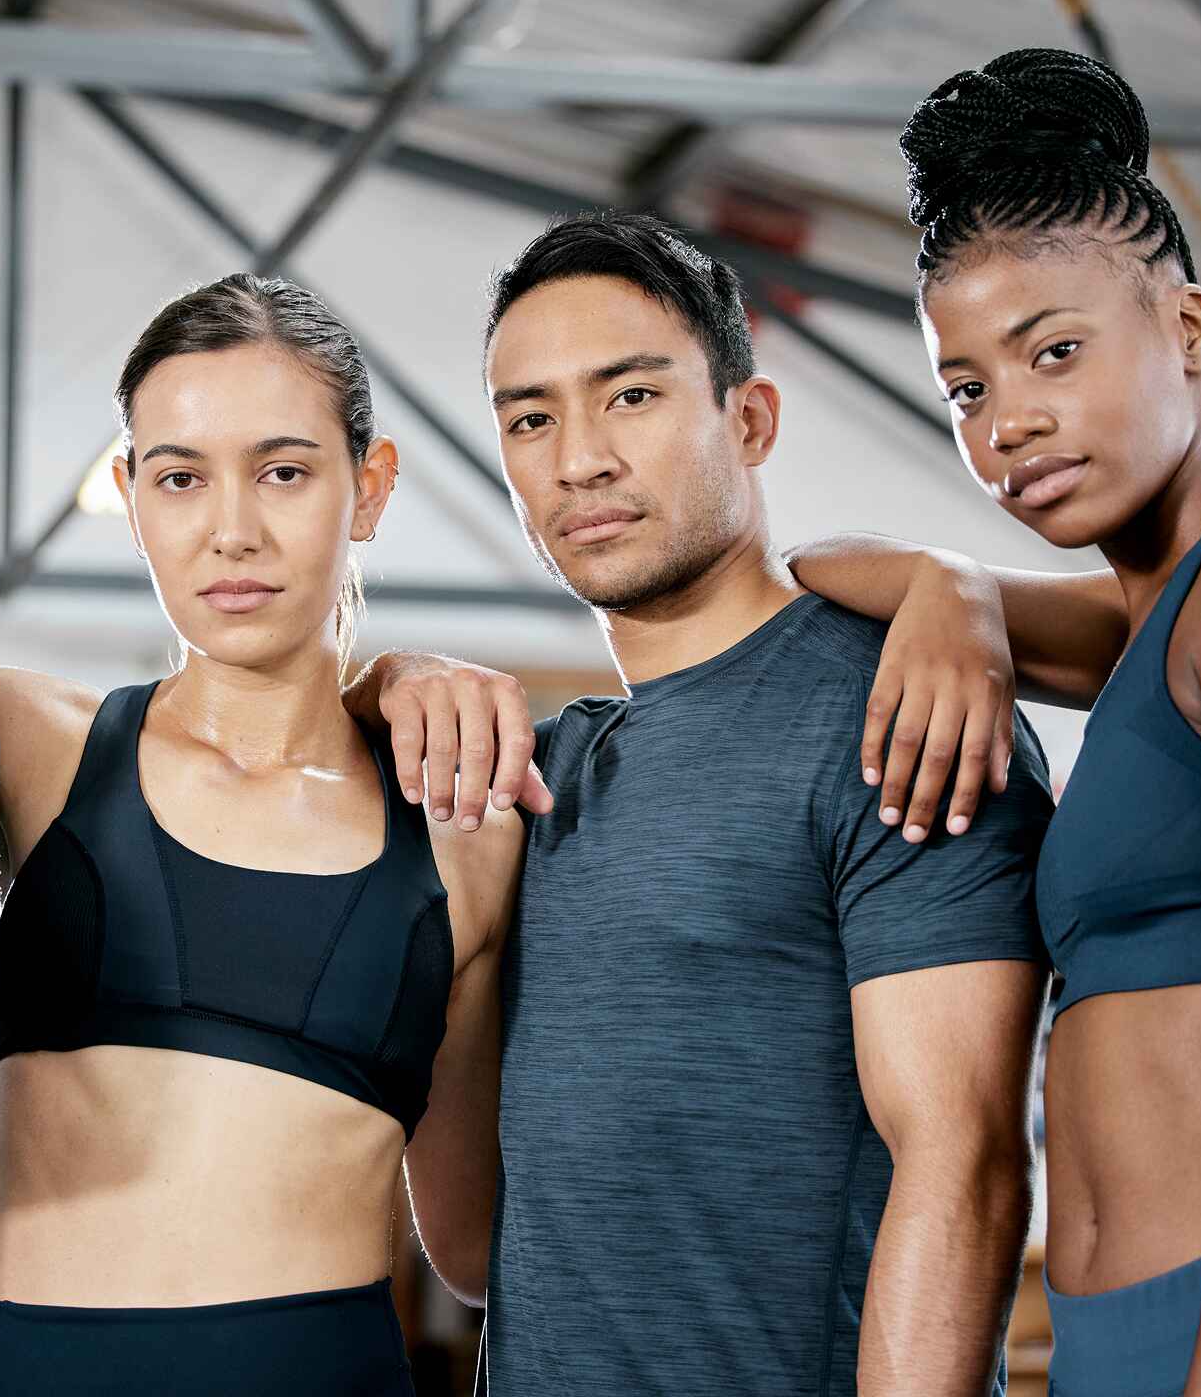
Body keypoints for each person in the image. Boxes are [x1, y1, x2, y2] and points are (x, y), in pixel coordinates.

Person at [0, 272, 518, 1395]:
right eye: (180, 478)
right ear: (131, 497)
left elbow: (473, 1253)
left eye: (283, 471)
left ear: (367, 488)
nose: (231, 528)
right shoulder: (30, 741)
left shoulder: (462, 831)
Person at [384, 213, 1056, 1396]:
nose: (577, 458)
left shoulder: (892, 704)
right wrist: (387, 680)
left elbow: (962, 1164)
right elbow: (480, 1250)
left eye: (629, 397)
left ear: (747, 420)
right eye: (528, 418)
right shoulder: (537, 777)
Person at [785, 48, 1201, 1397]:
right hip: (1115, 1339)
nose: (1008, 425)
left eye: (1054, 354)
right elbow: (818, 566)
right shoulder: (1154, 619)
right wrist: (954, 584)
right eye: (966, 390)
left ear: (1192, 330)